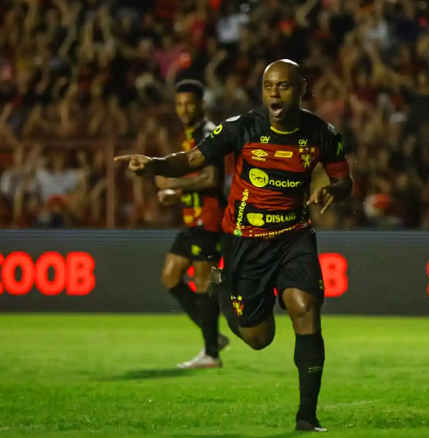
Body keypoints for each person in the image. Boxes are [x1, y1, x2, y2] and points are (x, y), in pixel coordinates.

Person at [115, 60, 353, 432]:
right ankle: (226, 295)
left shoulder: (323, 134)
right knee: (259, 339)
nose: (274, 93)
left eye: (283, 86)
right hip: (245, 242)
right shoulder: (241, 128)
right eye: (268, 86)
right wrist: (155, 165)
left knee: (305, 307)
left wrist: (332, 189)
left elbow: (344, 179)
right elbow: (193, 159)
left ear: (302, 89)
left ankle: (307, 416)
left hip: (294, 235)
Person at [155, 79, 228, 369]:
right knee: (171, 276)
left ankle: (211, 354)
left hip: (210, 220)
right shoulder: (189, 136)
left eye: (190, 104)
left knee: (203, 284)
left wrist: (176, 186)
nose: (184, 109)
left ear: (202, 105)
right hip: (192, 220)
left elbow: (212, 179)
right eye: (180, 104)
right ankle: (212, 336)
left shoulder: (209, 134)